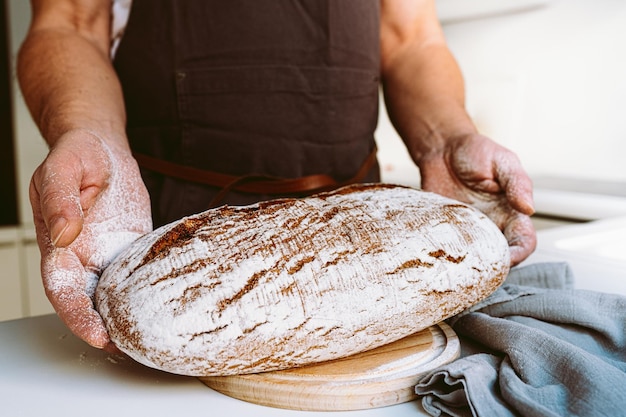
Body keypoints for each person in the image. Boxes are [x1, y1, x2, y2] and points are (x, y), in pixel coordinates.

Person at [17, 0, 536, 352]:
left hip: (356, 234)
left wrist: (446, 139)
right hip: (170, 238)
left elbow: (411, 39)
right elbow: (69, 22)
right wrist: (92, 135)